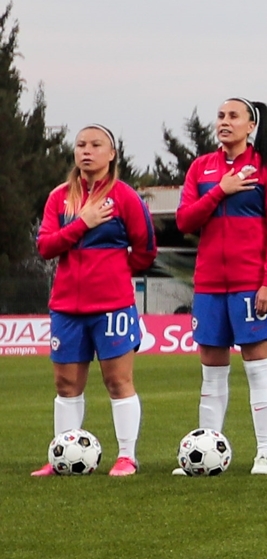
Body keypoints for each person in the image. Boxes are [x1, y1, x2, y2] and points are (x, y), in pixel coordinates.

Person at [31, 125, 157, 476]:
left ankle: (127, 456)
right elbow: (46, 247)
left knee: (118, 381)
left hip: (112, 305)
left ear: (112, 154)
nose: (87, 150)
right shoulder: (60, 197)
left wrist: (114, 271)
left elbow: (146, 249)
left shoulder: (126, 197)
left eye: (96, 145)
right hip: (67, 308)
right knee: (66, 385)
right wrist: (82, 223)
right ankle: (62, 457)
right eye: (81, 144)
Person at [176, 98, 267, 474]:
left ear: (250, 126)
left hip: (250, 285)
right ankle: (208, 452)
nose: (224, 122)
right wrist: (220, 191)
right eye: (221, 116)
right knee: (211, 372)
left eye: (233, 116)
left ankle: (265, 453)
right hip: (209, 285)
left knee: (257, 368)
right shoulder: (201, 168)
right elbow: (185, 221)